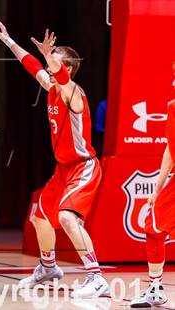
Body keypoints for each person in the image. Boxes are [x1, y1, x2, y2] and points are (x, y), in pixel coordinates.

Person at [0, 20, 108, 298]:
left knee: (67, 218)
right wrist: (10, 42)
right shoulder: (53, 88)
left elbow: (59, 77)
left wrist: (49, 56)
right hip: (63, 169)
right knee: (40, 218)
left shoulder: (73, 94)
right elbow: (31, 65)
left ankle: (96, 277)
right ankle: (48, 267)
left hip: (84, 167)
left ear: (66, 69)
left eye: (54, 63)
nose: (47, 67)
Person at [130, 64, 175, 308]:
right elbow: (171, 147)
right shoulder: (173, 106)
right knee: (154, 227)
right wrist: (157, 188)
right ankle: (156, 288)